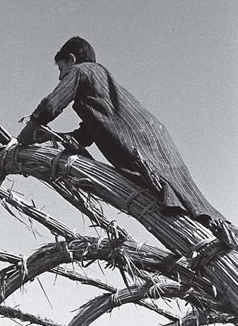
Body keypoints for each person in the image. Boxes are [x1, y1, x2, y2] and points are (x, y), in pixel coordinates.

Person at [17, 36, 235, 241]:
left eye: (61, 68)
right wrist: (53, 137)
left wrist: (26, 134)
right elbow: (88, 134)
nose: (60, 76)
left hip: (135, 140)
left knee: (162, 186)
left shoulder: (81, 71)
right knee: (185, 194)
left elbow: (51, 105)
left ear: (71, 60)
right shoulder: (100, 80)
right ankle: (220, 231)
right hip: (152, 134)